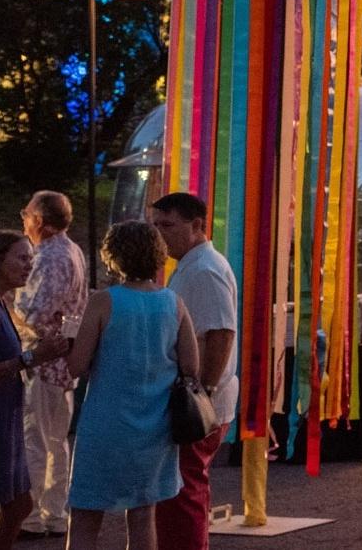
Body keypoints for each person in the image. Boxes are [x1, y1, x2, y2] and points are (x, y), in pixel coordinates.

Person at [66, 221, 200, 550]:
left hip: (105, 425)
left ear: (114, 256)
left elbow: (77, 367)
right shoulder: (174, 303)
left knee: (86, 517)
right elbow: (191, 367)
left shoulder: (103, 302)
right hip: (154, 427)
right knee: (142, 516)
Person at [149, 193, 239, 550]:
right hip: (197, 395)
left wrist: (203, 391)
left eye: (167, 225)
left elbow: (221, 334)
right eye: (155, 226)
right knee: (183, 491)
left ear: (197, 225)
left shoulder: (204, 269)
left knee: (183, 493)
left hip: (199, 399)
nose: (160, 234)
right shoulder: (192, 264)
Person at [14, 191, 86, 539]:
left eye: (25, 214)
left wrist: (6, 303)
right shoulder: (72, 250)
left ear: (39, 220)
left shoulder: (48, 257)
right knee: (57, 441)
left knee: (35, 439)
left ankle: (27, 518)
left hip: (41, 361)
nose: (23, 220)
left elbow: (32, 312)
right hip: (63, 362)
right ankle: (53, 515)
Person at [0, 231, 68, 550]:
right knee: (18, 504)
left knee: (20, 504)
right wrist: (31, 357)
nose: (30, 265)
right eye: (22, 258)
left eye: (31, 257)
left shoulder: (3, 300)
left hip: (6, 417)